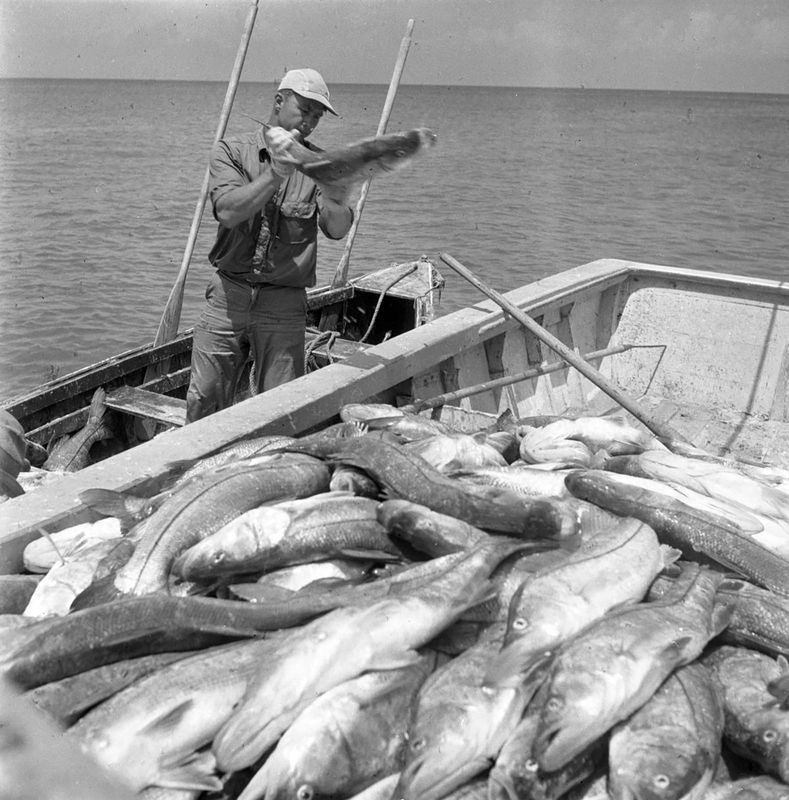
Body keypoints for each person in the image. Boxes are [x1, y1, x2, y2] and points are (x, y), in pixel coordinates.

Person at [185, 68, 354, 423]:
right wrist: (276, 173)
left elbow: (335, 231)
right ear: (279, 101)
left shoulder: (320, 164)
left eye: (317, 116)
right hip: (227, 297)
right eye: (304, 109)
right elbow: (228, 211)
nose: (309, 122)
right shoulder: (230, 151)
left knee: (281, 411)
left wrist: (338, 197)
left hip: (284, 303)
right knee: (203, 403)